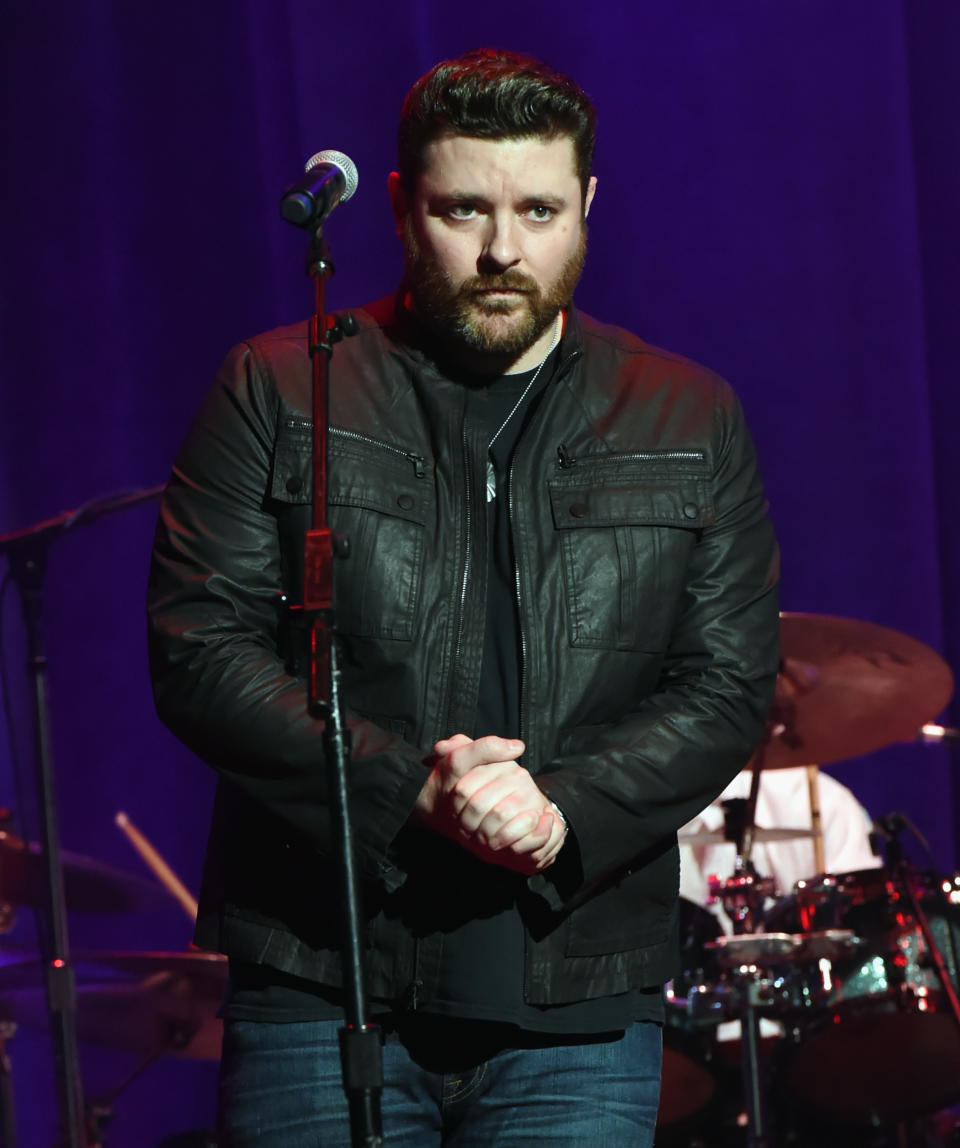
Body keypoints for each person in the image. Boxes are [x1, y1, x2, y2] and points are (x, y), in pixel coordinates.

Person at [147, 48, 780, 1147]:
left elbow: (728, 683)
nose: (502, 248)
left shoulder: (687, 415)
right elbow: (198, 645)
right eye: (463, 208)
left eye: (538, 209)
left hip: (575, 996)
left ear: (587, 206)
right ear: (399, 207)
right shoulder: (279, 384)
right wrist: (410, 790)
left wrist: (562, 811)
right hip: (321, 975)